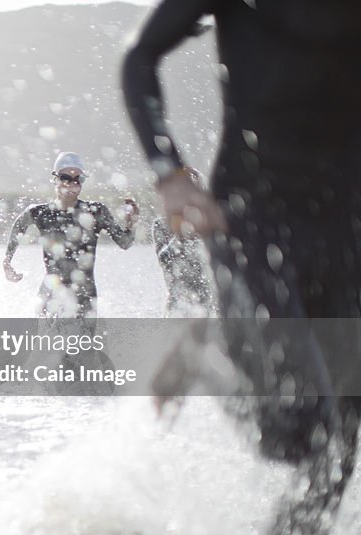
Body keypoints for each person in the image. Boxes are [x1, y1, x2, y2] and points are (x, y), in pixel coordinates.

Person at [123, 2, 361, 532]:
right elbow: (140, 58)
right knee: (297, 427)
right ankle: (207, 353)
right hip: (249, 223)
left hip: (346, 235)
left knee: (337, 451)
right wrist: (170, 173)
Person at [3, 152, 138, 318]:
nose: (71, 184)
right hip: (51, 290)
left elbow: (125, 242)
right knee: (44, 342)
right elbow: (18, 227)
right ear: (55, 179)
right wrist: (7, 261)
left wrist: (132, 222)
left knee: (84, 344)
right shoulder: (40, 212)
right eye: (65, 178)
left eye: (77, 180)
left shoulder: (96, 212)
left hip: (85, 294)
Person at [150, 167, 214, 317]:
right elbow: (165, 259)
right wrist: (182, 233)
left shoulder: (209, 225)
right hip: (178, 306)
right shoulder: (161, 225)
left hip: (208, 306)